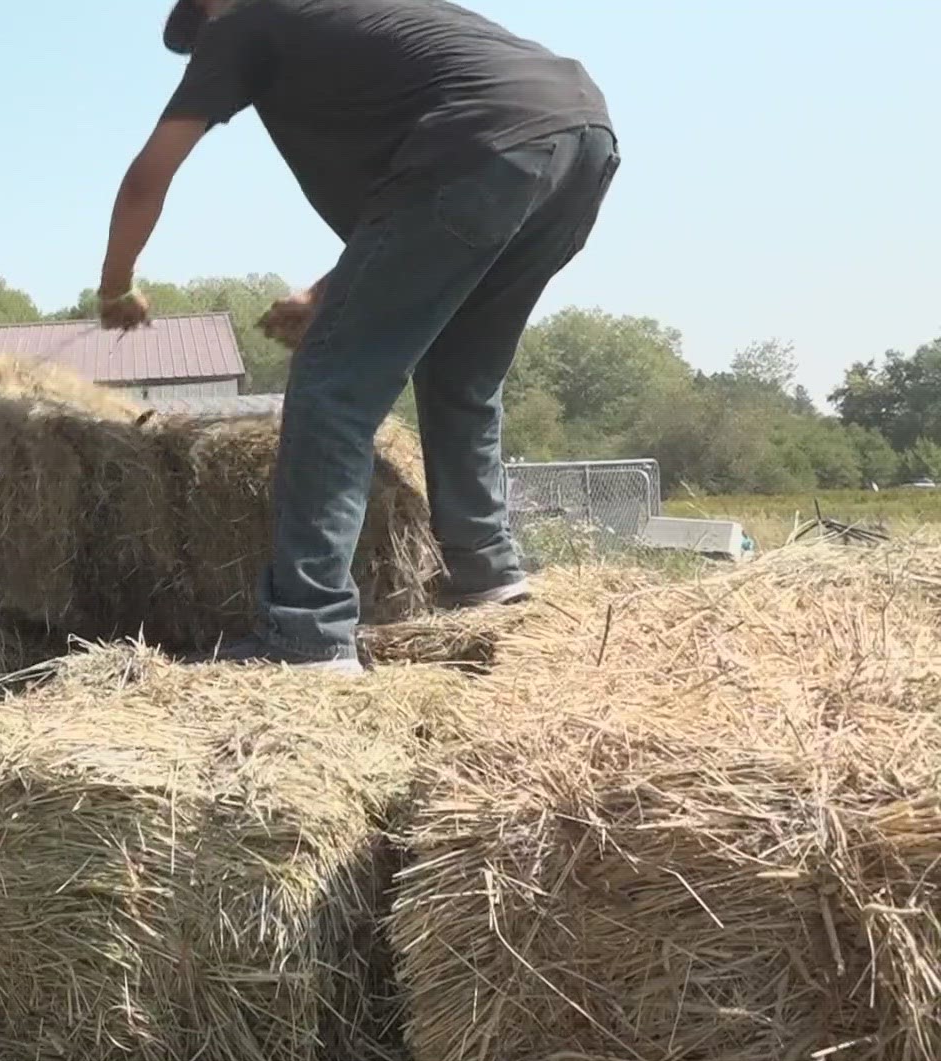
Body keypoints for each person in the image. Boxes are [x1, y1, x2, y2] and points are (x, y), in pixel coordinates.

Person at [97, 0, 620, 672]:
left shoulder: (244, 21)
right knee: (461, 376)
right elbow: (422, 203)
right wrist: (323, 293)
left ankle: (306, 634)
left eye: (199, 32)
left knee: (332, 387)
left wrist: (115, 285)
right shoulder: (356, 23)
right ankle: (488, 575)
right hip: (579, 134)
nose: (204, 51)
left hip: (486, 141)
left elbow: (150, 173)